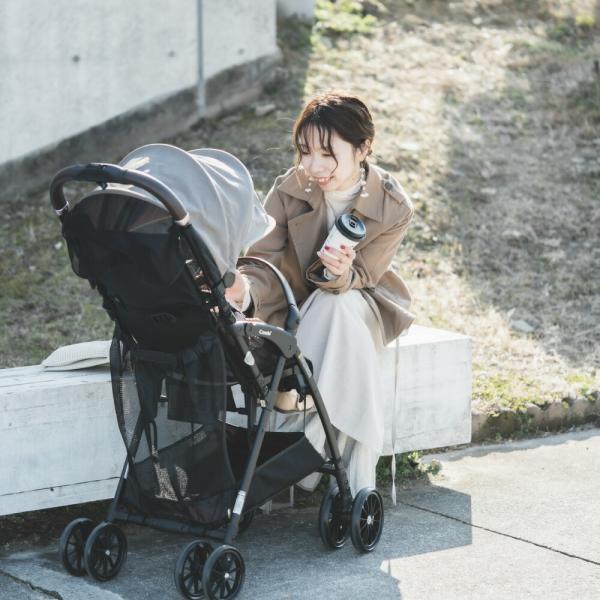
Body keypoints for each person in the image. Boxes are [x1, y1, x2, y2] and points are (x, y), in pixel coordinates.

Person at [225, 92, 415, 496]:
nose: (314, 166)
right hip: (294, 306)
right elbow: (262, 261)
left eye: (328, 154)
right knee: (333, 309)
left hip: (363, 304)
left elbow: (366, 275)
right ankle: (353, 478)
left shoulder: (393, 205)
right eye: (305, 151)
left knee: (337, 301)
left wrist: (342, 273)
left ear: (363, 148)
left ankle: (307, 442)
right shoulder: (289, 188)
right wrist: (243, 291)